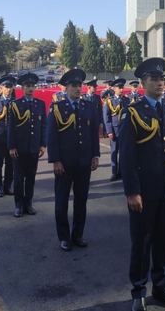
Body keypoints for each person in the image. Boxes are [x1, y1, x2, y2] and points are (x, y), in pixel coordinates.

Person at [119, 58, 165, 311]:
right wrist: (132, 191)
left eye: (162, 79)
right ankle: (138, 291)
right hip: (145, 190)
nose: (160, 83)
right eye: (154, 79)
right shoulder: (133, 112)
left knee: (163, 241)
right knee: (142, 241)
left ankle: (161, 288)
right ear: (143, 83)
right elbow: (126, 156)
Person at [47, 68, 100, 251]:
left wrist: (95, 155)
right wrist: (55, 160)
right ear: (66, 88)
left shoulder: (89, 106)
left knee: (81, 201)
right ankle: (64, 236)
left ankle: (78, 235)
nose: (78, 89)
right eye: (73, 86)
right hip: (64, 163)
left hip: (84, 162)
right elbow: (52, 136)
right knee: (61, 202)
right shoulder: (57, 108)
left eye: (80, 85)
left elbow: (93, 133)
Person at [7, 72, 46, 217]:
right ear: (22, 88)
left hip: (34, 148)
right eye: (27, 86)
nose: (30, 89)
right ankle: (18, 205)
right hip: (19, 148)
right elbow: (11, 127)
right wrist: (11, 146)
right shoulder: (15, 105)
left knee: (30, 178)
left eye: (32, 86)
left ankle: (28, 204)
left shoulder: (40, 104)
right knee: (18, 179)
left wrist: (43, 144)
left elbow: (43, 126)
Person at [104, 78, 130, 181]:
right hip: (114, 130)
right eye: (119, 88)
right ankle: (114, 172)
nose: (121, 90)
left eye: (122, 87)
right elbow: (107, 117)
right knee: (114, 151)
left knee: (124, 151)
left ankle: (122, 171)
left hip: (125, 129)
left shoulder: (126, 100)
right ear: (114, 88)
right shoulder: (109, 101)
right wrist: (109, 131)